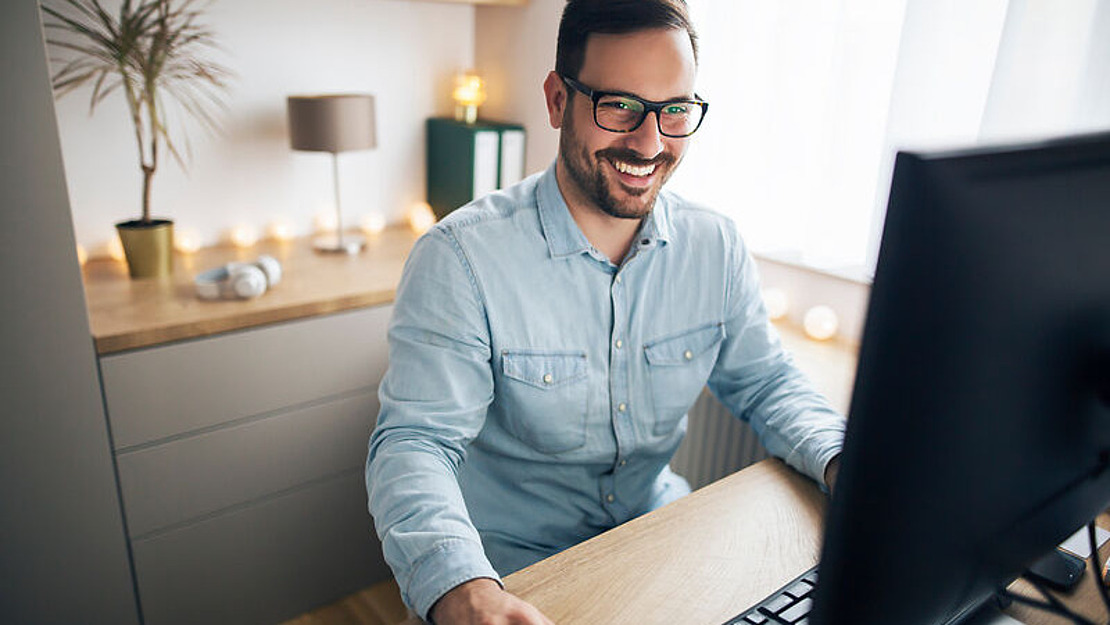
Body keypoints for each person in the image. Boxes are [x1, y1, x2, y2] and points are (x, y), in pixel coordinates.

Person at [365, 1, 846, 622]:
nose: (649, 142)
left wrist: (841, 461)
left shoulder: (716, 245)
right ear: (558, 100)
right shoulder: (458, 257)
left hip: (661, 545)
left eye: (675, 111)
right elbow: (415, 445)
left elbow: (766, 380)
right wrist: (464, 592)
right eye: (620, 105)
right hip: (509, 575)